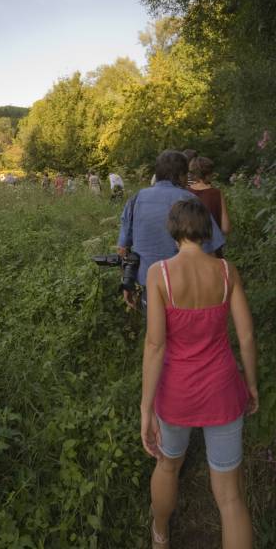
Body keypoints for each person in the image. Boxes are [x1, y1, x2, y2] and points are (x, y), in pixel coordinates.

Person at [141, 199, 258, 548]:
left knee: (166, 467)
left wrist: (146, 408)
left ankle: (160, 535)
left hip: (176, 393)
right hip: (222, 390)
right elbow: (247, 336)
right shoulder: (226, 271)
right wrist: (251, 386)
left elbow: (155, 345)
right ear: (207, 230)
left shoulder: (159, 274)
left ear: (174, 229)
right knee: (230, 497)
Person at [118, 150, 225, 310]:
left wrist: (127, 282)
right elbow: (211, 250)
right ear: (181, 175)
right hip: (188, 288)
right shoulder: (191, 201)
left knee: (157, 334)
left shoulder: (136, 199)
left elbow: (122, 250)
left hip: (152, 289)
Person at [188, 156, 231, 235]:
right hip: (213, 244)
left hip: (191, 244)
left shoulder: (185, 193)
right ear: (208, 174)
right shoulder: (216, 193)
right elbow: (226, 228)